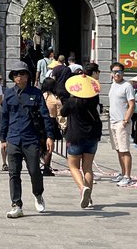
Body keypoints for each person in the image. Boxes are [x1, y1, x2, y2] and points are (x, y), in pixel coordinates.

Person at [0, 61, 54, 218]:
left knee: (34, 171)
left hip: (31, 139)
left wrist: (49, 136)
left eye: (21, 73)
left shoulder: (36, 93)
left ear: (27, 75)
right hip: (13, 139)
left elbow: (45, 116)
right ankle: (16, 204)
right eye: (15, 74)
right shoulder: (8, 94)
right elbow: (4, 117)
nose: (18, 76)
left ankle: (38, 194)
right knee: (13, 173)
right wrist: (2, 137)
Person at [61, 74, 103, 209]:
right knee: (88, 168)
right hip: (92, 137)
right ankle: (89, 198)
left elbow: (62, 113)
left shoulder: (71, 102)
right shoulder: (94, 100)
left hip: (75, 137)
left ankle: (82, 188)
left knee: (73, 166)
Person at [108, 62, 136, 186]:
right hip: (112, 121)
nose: (116, 74)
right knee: (118, 150)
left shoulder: (127, 86)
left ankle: (127, 176)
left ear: (123, 72)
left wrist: (126, 120)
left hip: (122, 122)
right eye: (114, 71)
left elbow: (132, 105)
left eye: (119, 71)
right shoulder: (113, 84)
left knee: (124, 150)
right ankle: (123, 172)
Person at [40, 77, 62, 176]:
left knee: (40, 145)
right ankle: (46, 167)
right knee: (49, 147)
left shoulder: (40, 96)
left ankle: (37, 165)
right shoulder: (55, 98)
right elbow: (59, 112)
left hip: (40, 122)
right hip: (51, 121)